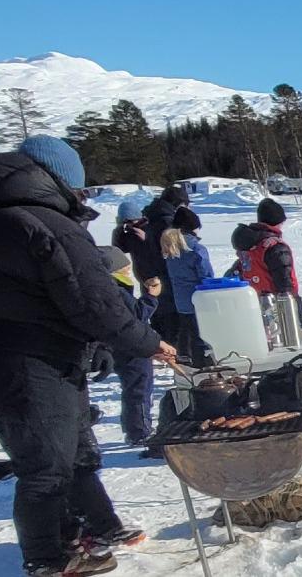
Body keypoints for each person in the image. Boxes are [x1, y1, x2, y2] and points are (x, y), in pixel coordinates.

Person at [0, 136, 173, 576]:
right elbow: (94, 301)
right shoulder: (46, 223)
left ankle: (98, 525)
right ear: (60, 181)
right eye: (79, 189)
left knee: (75, 451)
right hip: (30, 362)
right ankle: (49, 558)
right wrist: (148, 342)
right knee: (46, 466)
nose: (81, 197)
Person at [90, 249, 163, 449]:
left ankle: (135, 428)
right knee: (139, 389)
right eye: (125, 266)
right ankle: (139, 431)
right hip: (132, 348)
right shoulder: (117, 290)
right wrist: (151, 297)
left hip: (121, 346)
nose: (129, 269)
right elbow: (136, 316)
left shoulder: (108, 287)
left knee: (133, 388)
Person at [231, 198, 302, 327]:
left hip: (255, 302)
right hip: (278, 303)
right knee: (287, 340)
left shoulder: (250, 244)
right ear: (276, 222)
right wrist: (296, 308)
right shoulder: (274, 246)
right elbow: (284, 279)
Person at [137, 185, 189, 346]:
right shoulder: (167, 221)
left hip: (147, 272)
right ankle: (173, 348)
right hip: (164, 273)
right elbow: (173, 250)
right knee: (170, 316)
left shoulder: (150, 216)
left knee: (158, 312)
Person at [161, 208, 214, 366]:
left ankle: (186, 360)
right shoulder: (196, 249)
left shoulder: (171, 246)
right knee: (202, 336)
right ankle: (203, 365)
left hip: (181, 301)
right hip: (198, 300)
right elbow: (206, 276)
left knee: (188, 333)